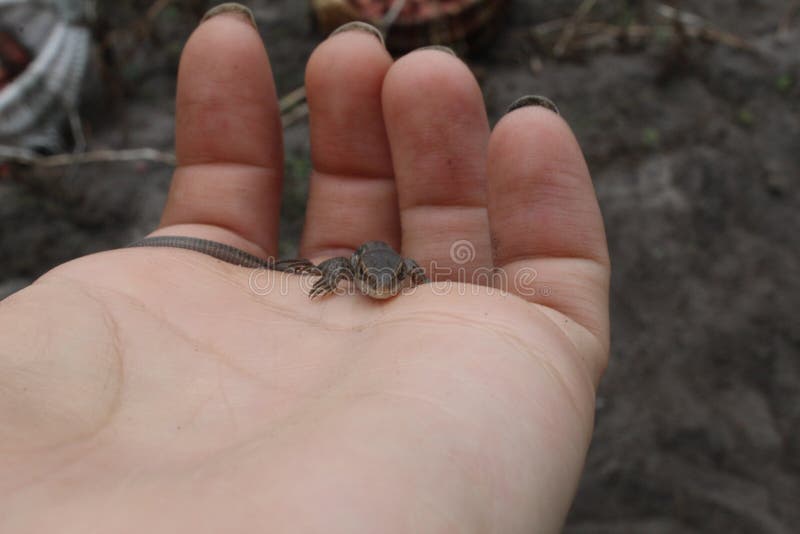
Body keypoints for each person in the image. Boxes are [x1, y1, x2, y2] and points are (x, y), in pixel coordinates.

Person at [0, 4, 610, 532]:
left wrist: (413, 280)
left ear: (391, 279)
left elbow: (404, 270)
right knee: (334, 257)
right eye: (375, 280)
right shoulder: (361, 271)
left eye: (385, 282)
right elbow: (351, 266)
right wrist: (331, 277)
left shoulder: (396, 275)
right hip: (358, 251)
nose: (378, 287)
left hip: (378, 251)